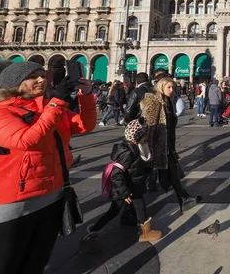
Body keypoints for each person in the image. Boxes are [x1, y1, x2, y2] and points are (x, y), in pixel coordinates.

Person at [0, 61, 96, 274]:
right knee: (3, 265)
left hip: (51, 197)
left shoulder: (47, 107)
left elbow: (84, 125)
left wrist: (86, 96)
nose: (41, 80)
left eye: (42, 75)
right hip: (14, 202)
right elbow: (27, 140)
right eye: (33, 76)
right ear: (14, 83)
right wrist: (56, 103)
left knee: (36, 263)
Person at [81, 121, 162, 253]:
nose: (147, 137)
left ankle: (145, 231)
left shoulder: (136, 147)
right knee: (114, 211)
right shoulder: (128, 153)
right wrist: (124, 193)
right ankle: (92, 233)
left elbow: (139, 166)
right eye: (145, 135)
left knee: (137, 206)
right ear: (137, 137)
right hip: (126, 188)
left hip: (132, 186)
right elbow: (116, 174)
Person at [143, 78, 202, 212]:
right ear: (161, 87)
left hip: (167, 143)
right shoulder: (154, 102)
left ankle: (183, 197)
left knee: (171, 171)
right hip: (158, 145)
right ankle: (125, 207)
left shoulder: (168, 102)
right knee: (142, 176)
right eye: (169, 87)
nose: (172, 90)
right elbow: (150, 125)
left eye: (173, 88)